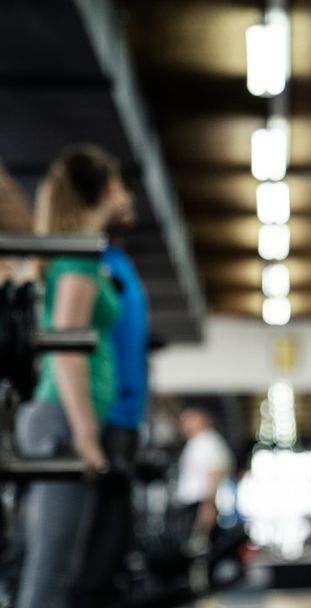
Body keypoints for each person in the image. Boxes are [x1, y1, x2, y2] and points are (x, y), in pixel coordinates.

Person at [15, 144, 133, 608]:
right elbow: (66, 347)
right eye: (121, 184)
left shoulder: (83, 257)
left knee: (57, 569)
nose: (126, 195)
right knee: (51, 571)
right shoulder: (80, 257)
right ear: (107, 188)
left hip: (63, 416)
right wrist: (85, 434)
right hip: (63, 421)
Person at [71, 179, 150, 605]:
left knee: (112, 547)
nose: (130, 199)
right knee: (90, 557)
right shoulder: (89, 258)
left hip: (126, 416)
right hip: (103, 415)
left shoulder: (119, 262)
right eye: (119, 190)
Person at [175, 407, 233, 539]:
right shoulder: (196, 442)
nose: (183, 425)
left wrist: (209, 504)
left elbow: (214, 471)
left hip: (201, 501)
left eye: (188, 420)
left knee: (201, 541)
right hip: (193, 502)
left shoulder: (208, 441)